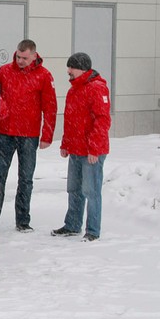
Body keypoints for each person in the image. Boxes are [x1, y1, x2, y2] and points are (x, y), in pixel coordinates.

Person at [0, 39, 57, 233]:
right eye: (18, 57)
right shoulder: (5, 71)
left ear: (34, 56)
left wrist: (47, 134)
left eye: (24, 58)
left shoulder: (44, 76)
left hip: (29, 135)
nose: (20, 60)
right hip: (5, 132)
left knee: (26, 178)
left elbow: (50, 107)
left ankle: (22, 220)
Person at [51, 52, 111, 242]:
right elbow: (70, 120)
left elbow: (103, 121)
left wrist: (94, 148)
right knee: (74, 189)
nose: (68, 71)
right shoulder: (74, 89)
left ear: (82, 69)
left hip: (92, 152)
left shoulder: (97, 88)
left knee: (91, 191)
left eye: (72, 67)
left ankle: (92, 230)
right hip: (76, 149)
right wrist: (65, 143)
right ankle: (72, 225)